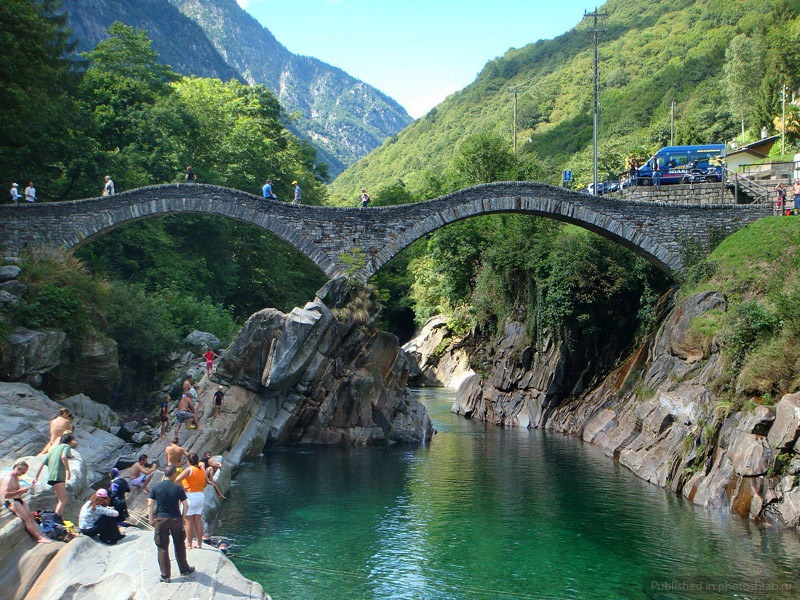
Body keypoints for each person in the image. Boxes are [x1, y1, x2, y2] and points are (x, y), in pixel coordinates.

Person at [148, 465, 195, 583]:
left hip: (161, 520)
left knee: (162, 548)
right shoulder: (178, 488)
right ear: (174, 474)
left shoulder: (156, 487)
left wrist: (151, 519)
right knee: (179, 544)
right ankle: (184, 569)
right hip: (175, 520)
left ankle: (166, 576)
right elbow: (186, 504)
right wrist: (182, 517)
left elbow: (150, 504)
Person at [0, 462, 52, 544]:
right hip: (12, 501)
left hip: (18, 499)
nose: (23, 474)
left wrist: (23, 491)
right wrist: (20, 491)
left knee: (31, 517)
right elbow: (4, 494)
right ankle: (39, 537)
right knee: (27, 519)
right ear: (18, 469)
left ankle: (42, 534)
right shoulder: (8, 479)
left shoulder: (16, 478)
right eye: (23, 472)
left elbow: (16, 491)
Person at [33, 431, 77, 516]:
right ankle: (57, 518)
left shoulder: (53, 449)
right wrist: (68, 471)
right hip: (58, 476)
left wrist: (36, 477)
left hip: (51, 477)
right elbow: (64, 456)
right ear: (70, 441)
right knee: (63, 499)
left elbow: (42, 463)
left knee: (61, 499)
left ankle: (56, 517)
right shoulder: (66, 446)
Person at [175, 453, 206, 550]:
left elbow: (178, 479)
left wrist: (183, 488)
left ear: (188, 461)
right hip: (200, 495)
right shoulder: (202, 470)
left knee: (188, 521)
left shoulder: (189, 470)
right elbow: (204, 484)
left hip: (190, 496)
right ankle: (200, 544)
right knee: (198, 519)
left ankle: (189, 544)